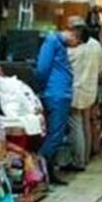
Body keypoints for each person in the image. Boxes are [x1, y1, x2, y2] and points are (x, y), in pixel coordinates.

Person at [36, 25, 75, 184]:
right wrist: (43, 87)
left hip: (61, 93)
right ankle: (39, 170)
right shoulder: (52, 41)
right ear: (73, 33)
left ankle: (48, 171)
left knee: (57, 134)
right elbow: (42, 69)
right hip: (55, 94)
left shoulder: (60, 45)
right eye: (76, 41)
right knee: (55, 135)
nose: (75, 45)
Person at [67, 22, 102, 171]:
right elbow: (101, 69)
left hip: (76, 90)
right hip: (90, 89)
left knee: (76, 125)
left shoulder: (75, 50)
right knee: (86, 122)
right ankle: (86, 156)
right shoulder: (96, 45)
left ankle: (79, 160)